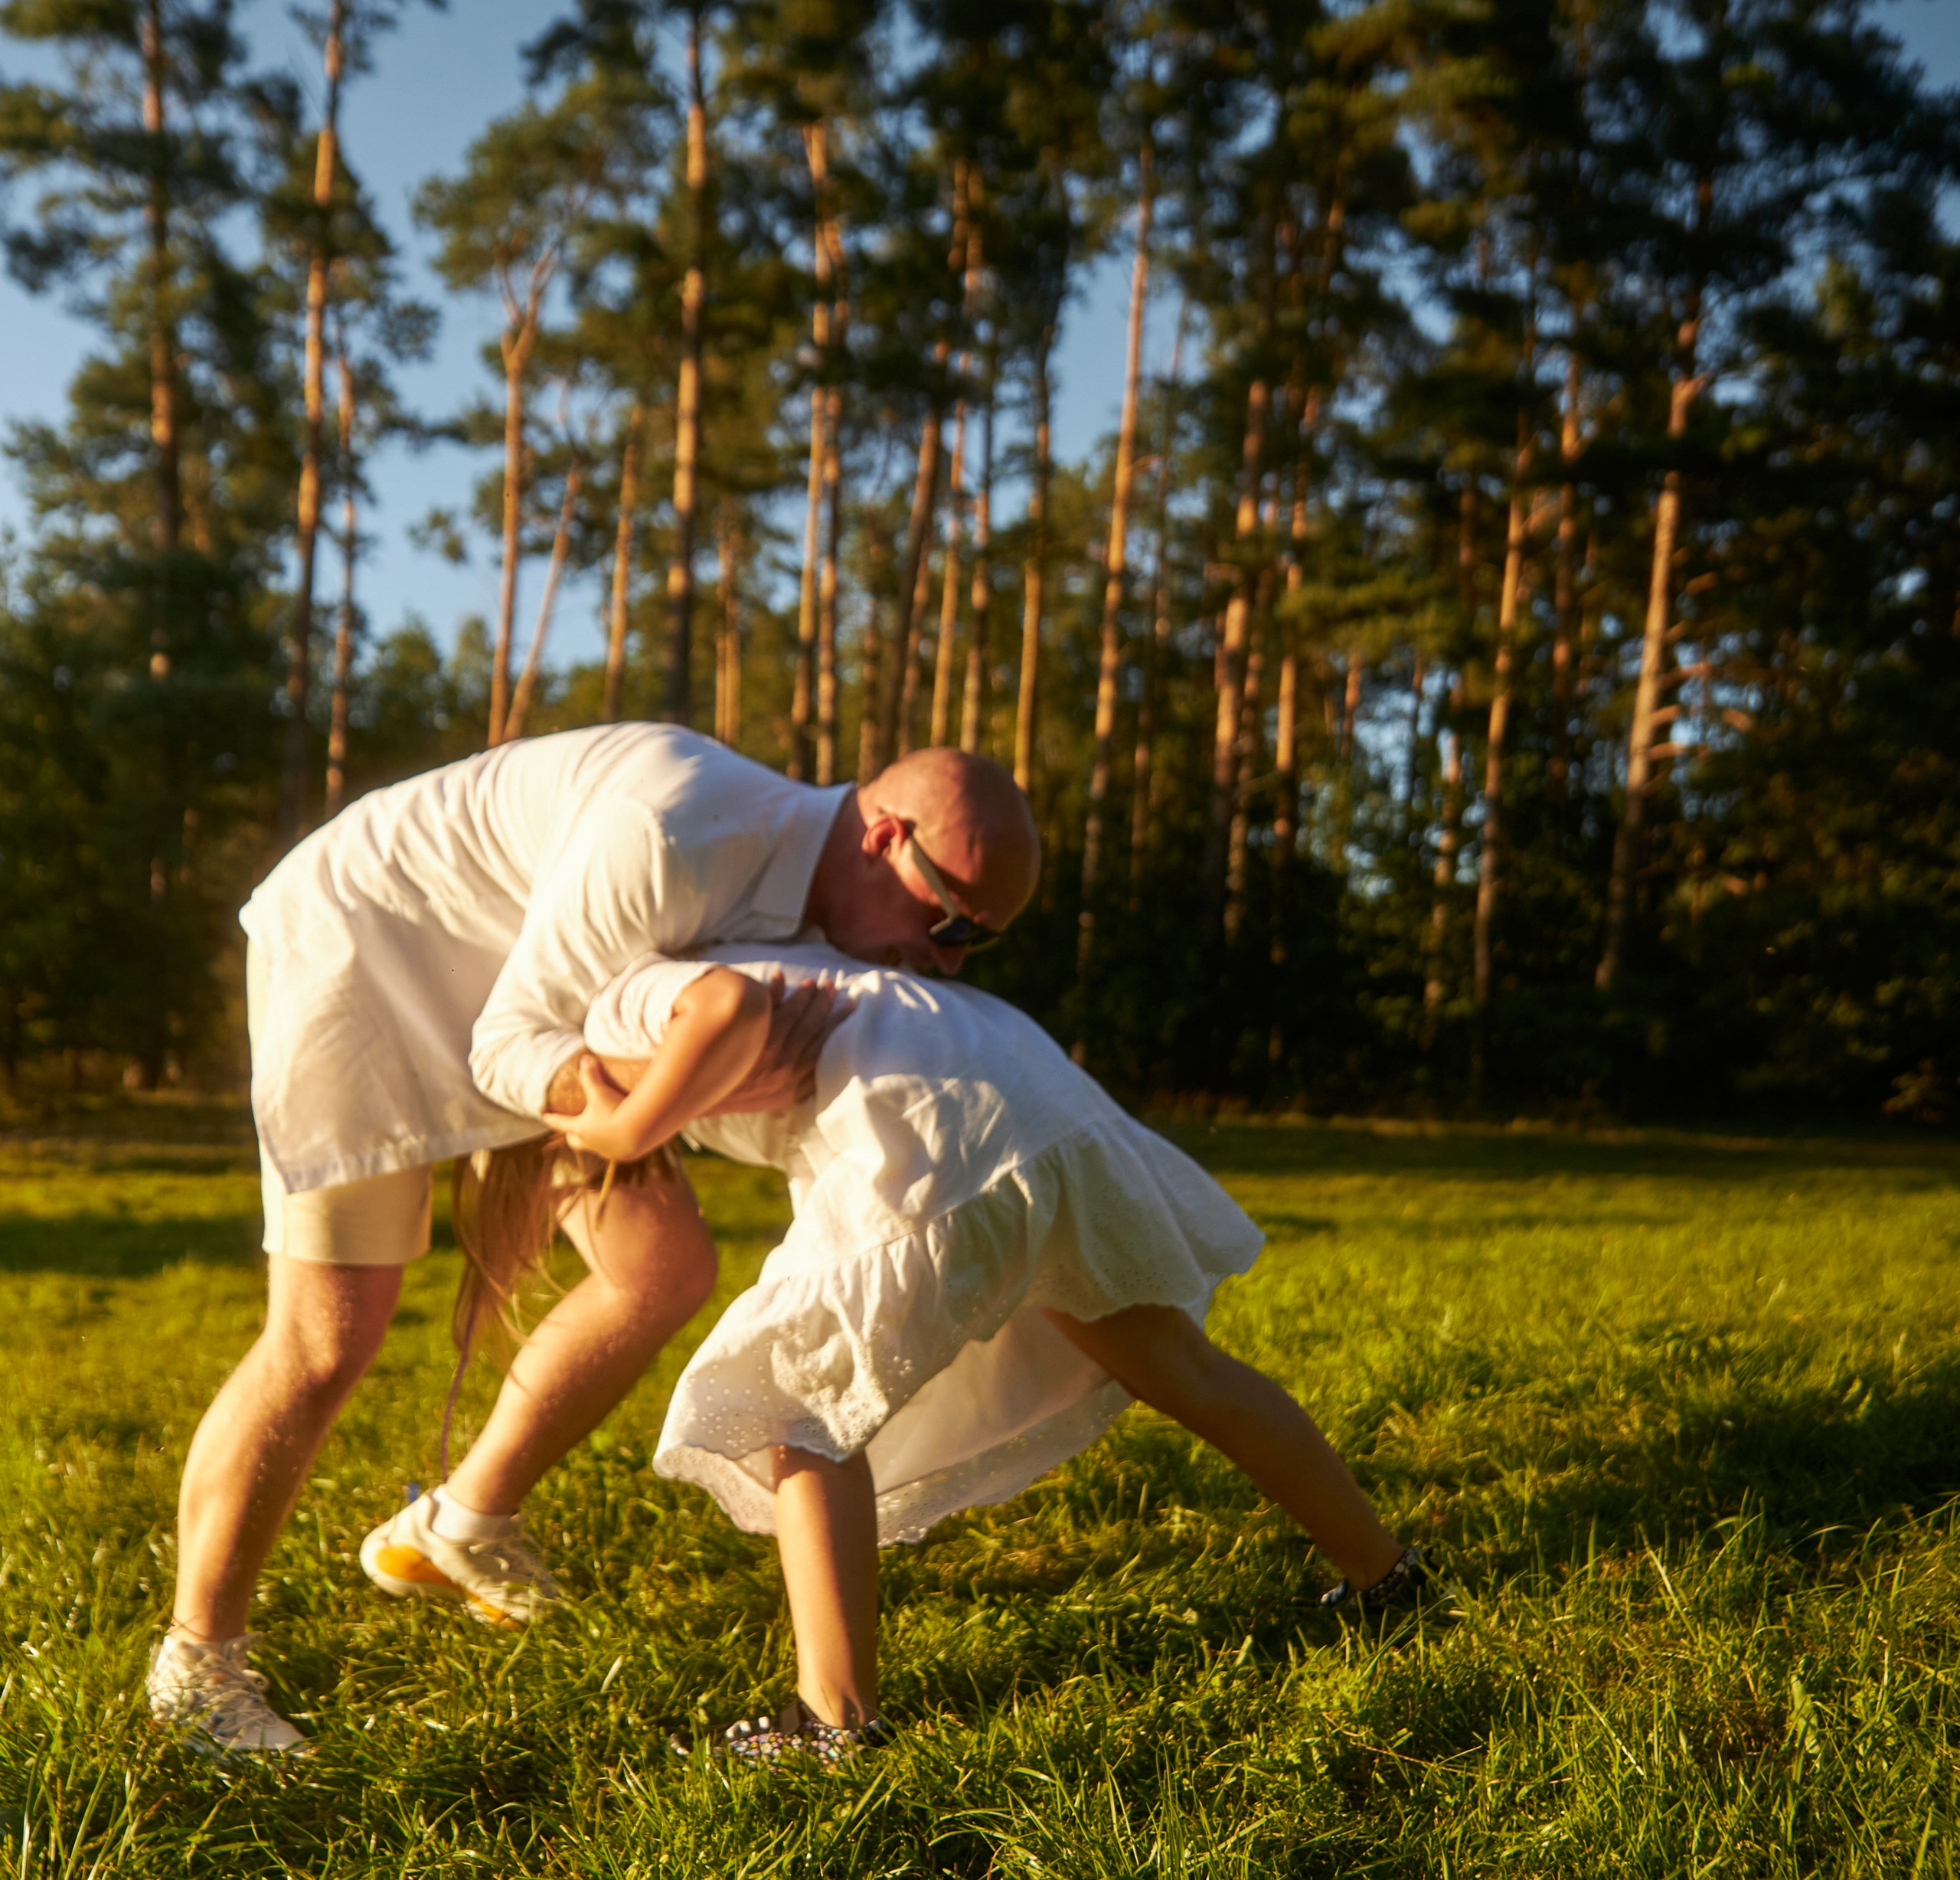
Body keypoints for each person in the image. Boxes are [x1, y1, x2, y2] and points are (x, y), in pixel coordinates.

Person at [145, 732, 1041, 1757]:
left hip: (523, 1001)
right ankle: (196, 1663)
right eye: (948, 922)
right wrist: (648, 1114)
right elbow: (508, 1046)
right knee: (328, 1334)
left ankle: (463, 1526)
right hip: (366, 949)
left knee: (662, 1267)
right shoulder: (675, 833)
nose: (947, 960)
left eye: (980, 944)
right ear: (884, 836)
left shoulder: (818, 902)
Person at [405, 933, 1428, 1767]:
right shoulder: (790, 952)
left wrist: (614, 1132)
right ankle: (1386, 1574)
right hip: (1037, 1098)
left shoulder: (623, 999)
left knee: (792, 1408)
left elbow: (717, 1018)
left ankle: (834, 1724)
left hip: (935, 1129)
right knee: (1180, 1366)